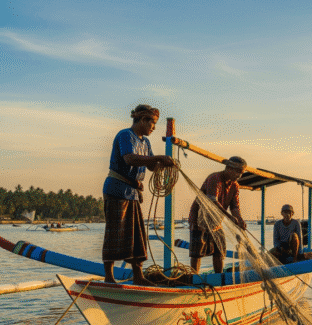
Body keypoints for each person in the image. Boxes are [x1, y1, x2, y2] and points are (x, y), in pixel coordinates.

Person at [102, 105, 176, 285]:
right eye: (153, 123)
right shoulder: (125, 135)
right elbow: (130, 159)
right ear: (142, 120)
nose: (154, 128)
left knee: (137, 236)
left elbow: (151, 166)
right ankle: (109, 278)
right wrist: (158, 158)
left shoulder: (145, 143)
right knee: (114, 233)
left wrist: (163, 164)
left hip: (133, 194)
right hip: (117, 189)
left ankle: (138, 276)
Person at [188, 157, 248, 274]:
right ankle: (195, 277)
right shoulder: (214, 178)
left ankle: (219, 277)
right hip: (199, 219)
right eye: (237, 172)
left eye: (241, 173)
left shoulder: (235, 186)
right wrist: (230, 217)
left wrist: (240, 219)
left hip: (216, 222)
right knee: (197, 252)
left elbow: (235, 207)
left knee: (219, 251)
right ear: (228, 168)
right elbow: (212, 201)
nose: (239, 176)